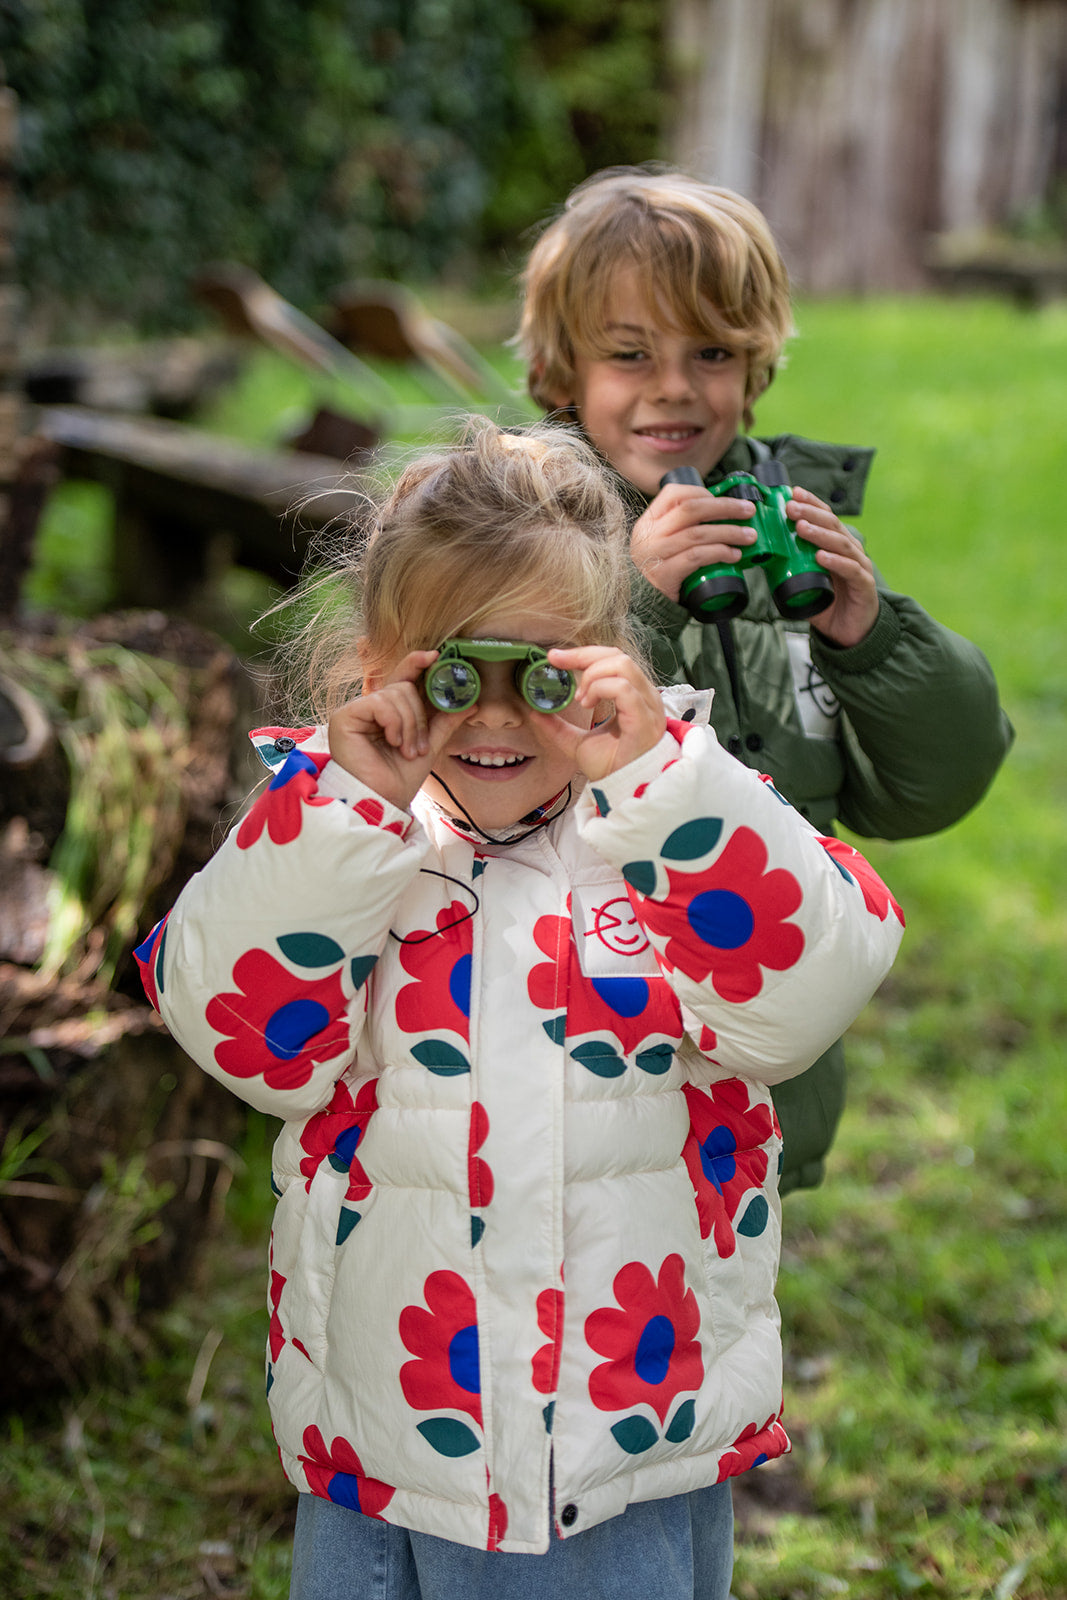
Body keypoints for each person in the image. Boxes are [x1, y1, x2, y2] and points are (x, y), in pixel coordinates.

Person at [135, 421, 903, 1600]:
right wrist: (343, 812)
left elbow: (804, 994)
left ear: (604, 661)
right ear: (378, 667)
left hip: (614, 1442)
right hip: (388, 1427)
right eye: (451, 673)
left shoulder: (674, 815)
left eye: (538, 675)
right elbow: (242, 1037)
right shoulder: (334, 826)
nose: (492, 719)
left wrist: (661, 786)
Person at [516, 165, 1012, 1195]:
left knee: (724, 1347)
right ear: (563, 370)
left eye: (710, 352)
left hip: (752, 1081)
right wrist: (632, 603)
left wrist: (868, 637)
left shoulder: (778, 540)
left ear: (755, 365)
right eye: (627, 354)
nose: (672, 387)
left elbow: (932, 786)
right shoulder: (514, 532)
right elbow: (489, 767)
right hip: (562, 1066)